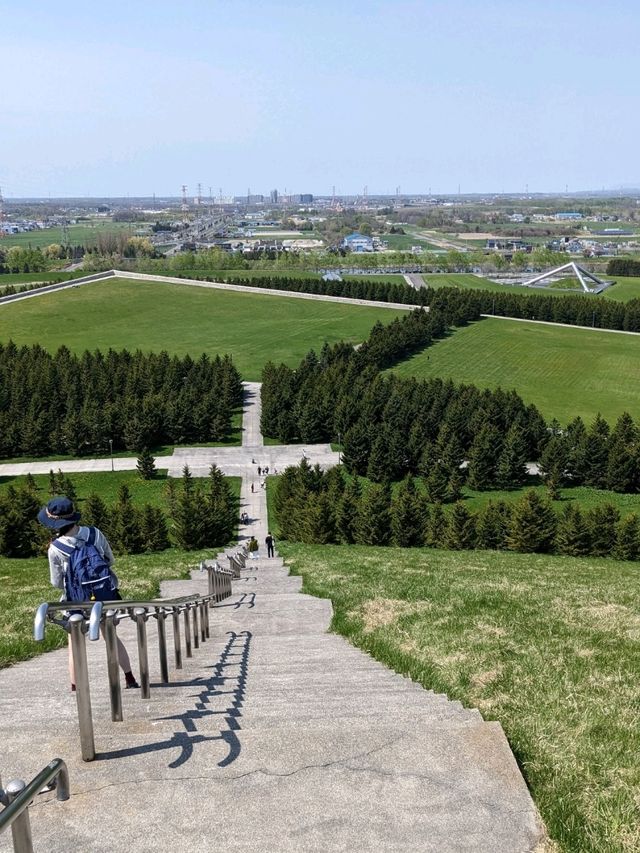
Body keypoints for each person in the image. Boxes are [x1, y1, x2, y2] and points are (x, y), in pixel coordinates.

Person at [37, 496, 139, 692]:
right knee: (111, 636)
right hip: (104, 597)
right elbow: (109, 560)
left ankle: (77, 688)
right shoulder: (94, 533)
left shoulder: (56, 548)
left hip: (76, 602)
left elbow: (56, 582)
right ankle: (129, 677)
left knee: (74, 641)